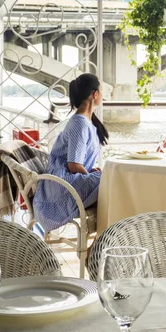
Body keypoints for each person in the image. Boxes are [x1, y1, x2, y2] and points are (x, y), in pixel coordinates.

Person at [33, 73, 109, 232]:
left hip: (68, 180)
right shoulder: (79, 124)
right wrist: (88, 174)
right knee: (110, 180)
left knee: (108, 179)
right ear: (94, 94)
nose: (103, 95)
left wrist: (89, 172)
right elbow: (74, 165)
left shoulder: (87, 122)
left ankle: (99, 237)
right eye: (102, 91)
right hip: (61, 184)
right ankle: (99, 240)